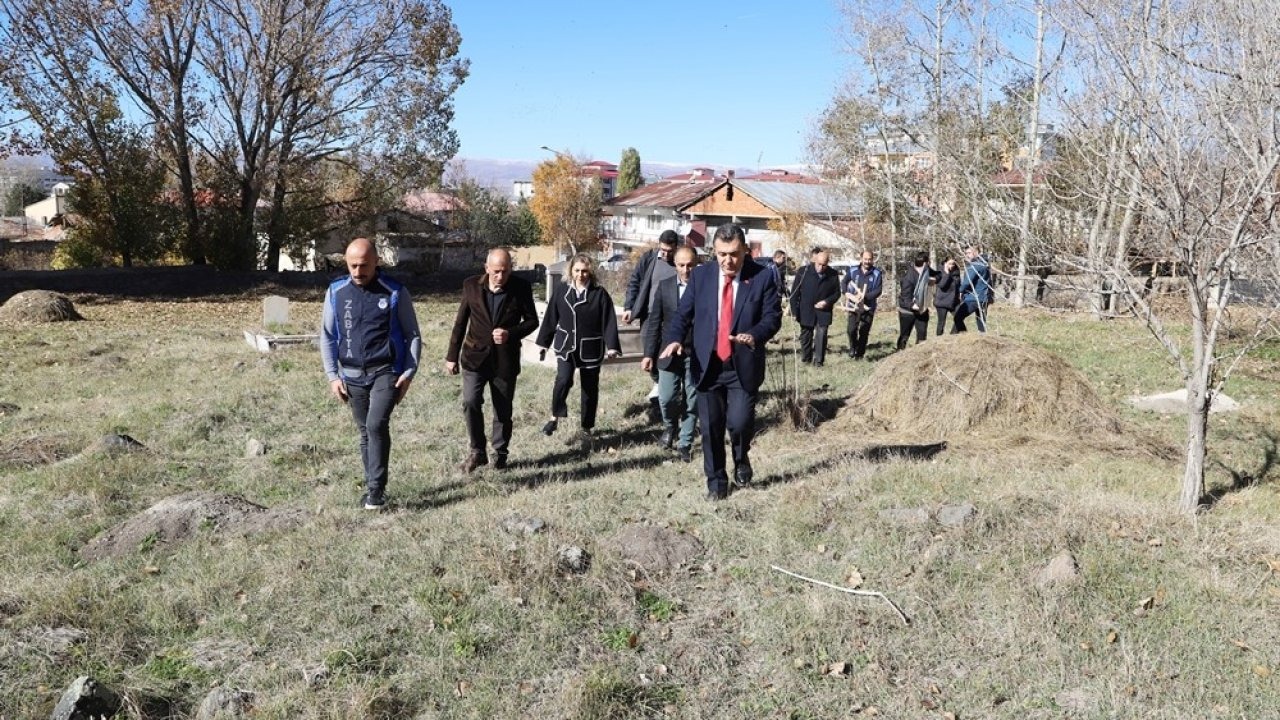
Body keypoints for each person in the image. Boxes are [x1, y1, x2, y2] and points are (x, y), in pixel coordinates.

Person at [660, 223, 782, 501]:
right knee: (712, 427)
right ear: (714, 252)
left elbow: (772, 317)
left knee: (739, 423)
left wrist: (754, 335)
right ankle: (716, 483)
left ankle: (741, 457)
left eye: (734, 254)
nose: (728, 261)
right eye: (722, 254)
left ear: (745, 252)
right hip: (708, 365)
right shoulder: (701, 277)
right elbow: (683, 314)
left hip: (742, 365)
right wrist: (675, 338)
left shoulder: (761, 277)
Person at [321, 238, 421, 510]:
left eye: (364, 265)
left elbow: (412, 333)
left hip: (385, 372)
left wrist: (409, 371)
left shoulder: (394, 292)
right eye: (352, 265)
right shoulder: (336, 292)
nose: (357, 272)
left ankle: (376, 491)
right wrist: (333, 376)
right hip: (351, 375)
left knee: (377, 425)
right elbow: (328, 336)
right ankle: (370, 486)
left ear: (377, 262)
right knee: (365, 430)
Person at [445, 248, 540, 472]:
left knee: (503, 410)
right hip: (474, 357)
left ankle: (500, 454)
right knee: (470, 402)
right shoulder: (471, 286)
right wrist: (451, 356)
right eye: (496, 271)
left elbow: (532, 321)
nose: (500, 276)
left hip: (504, 361)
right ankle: (477, 451)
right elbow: (461, 323)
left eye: (505, 271)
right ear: (486, 269)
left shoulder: (520, 288)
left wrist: (511, 333)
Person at [536, 254, 622, 448]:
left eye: (584, 271)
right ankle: (555, 416)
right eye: (577, 270)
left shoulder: (599, 294)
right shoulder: (561, 291)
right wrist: (543, 343)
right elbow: (551, 317)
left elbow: (609, 321)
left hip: (590, 348)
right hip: (566, 346)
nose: (581, 275)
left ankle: (587, 427)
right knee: (563, 379)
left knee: (589, 389)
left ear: (590, 271)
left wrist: (613, 346)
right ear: (571, 271)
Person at [642, 247, 699, 462]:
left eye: (690, 265)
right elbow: (655, 322)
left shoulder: (704, 288)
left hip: (695, 353)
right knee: (666, 398)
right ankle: (670, 427)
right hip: (667, 353)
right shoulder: (665, 287)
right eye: (681, 265)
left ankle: (685, 443)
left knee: (692, 401)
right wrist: (648, 353)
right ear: (674, 265)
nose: (686, 270)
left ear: (696, 263)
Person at [789, 248, 841, 366]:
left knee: (822, 334)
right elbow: (794, 293)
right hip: (806, 309)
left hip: (824, 311)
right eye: (819, 264)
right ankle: (806, 359)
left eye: (824, 265)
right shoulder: (803, 272)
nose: (821, 267)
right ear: (814, 260)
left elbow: (837, 293)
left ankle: (818, 361)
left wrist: (827, 302)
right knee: (806, 335)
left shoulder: (832, 274)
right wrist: (794, 311)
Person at [842, 250, 884, 359]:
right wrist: (846, 292)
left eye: (869, 259)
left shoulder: (877, 273)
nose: (867, 261)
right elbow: (844, 282)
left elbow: (878, 290)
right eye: (865, 259)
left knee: (864, 331)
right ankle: (853, 347)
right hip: (853, 305)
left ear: (872, 260)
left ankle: (860, 354)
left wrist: (865, 297)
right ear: (861, 259)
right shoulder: (853, 270)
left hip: (868, 306)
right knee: (851, 329)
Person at [896, 251, 937, 350]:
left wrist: (934, 280)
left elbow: (938, 274)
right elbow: (905, 297)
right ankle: (899, 354)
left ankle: (919, 355)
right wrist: (912, 305)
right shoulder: (908, 277)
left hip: (922, 310)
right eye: (928, 263)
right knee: (904, 336)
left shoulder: (926, 271)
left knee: (922, 336)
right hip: (907, 311)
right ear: (925, 263)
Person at [953, 245, 995, 333]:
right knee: (981, 321)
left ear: (976, 253)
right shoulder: (985, 264)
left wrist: (961, 291)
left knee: (957, 317)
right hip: (984, 298)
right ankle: (983, 339)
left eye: (969, 253)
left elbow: (967, 281)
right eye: (966, 253)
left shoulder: (975, 265)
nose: (967, 255)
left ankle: (965, 336)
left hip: (974, 297)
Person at [933, 256, 961, 335]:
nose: (951, 266)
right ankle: (938, 340)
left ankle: (952, 335)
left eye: (953, 264)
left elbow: (959, 285)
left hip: (954, 301)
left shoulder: (956, 272)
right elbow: (942, 285)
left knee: (959, 317)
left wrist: (960, 294)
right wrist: (946, 273)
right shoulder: (939, 272)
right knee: (941, 322)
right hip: (942, 301)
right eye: (949, 264)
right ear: (945, 263)